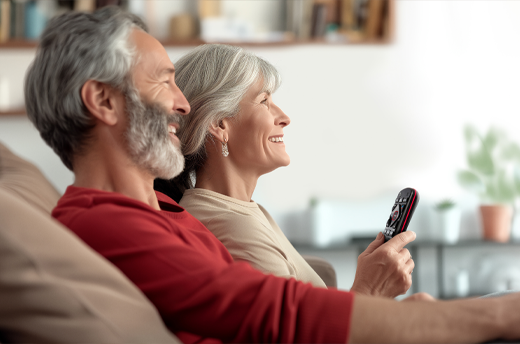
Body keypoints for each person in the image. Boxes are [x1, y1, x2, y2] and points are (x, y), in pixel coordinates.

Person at [24, 6, 520, 344]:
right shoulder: (104, 222)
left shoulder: (168, 211)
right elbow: (267, 309)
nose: (181, 102)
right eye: (164, 80)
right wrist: (480, 316)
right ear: (104, 101)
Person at [153, 43, 410, 291]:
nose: (284, 118)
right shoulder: (231, 227)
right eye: (264, 101)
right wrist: (371, 288)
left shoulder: (240, 211)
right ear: (219, 124)